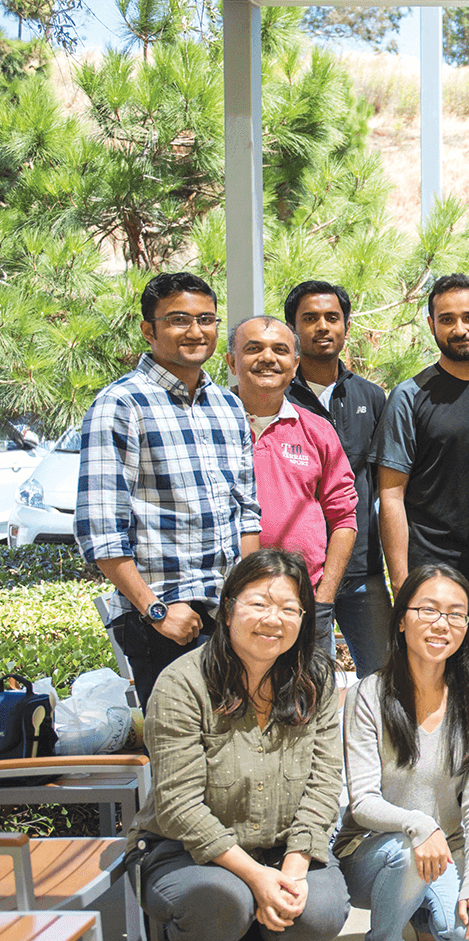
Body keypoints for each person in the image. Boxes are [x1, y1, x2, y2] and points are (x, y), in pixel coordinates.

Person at [130, 549, 348, 941]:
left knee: (322, 910)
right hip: (185, 853)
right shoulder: (182, 683)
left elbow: (325, 783)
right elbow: (178, 805)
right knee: (222, 900)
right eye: (259, 604)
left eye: (290, 609)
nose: (274, 620)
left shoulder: (315, 681)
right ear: (227, 610)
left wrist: (289, 873)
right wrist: (256, 879)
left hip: (278, 847)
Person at [76, 271, 260, 707]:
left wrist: (246, 597)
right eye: (179, 319)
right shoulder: (120, 405)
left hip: (227, 616)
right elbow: (100, 530)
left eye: (207, 319)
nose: (196, 331)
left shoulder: (228, 405)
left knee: (231, 753)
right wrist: (156, 610)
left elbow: (246, 511)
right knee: (179, 763)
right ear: (148, 329)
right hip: (163, 622)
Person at [336, 564, 469, 941]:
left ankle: (427, 919)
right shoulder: (369, 694)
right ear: (402, 619)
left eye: (455, 613)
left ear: (468, 626)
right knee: (409, 851)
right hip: (377, 853)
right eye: (428, 609)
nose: (441, 623)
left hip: (448, 854)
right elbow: (363, 799)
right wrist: (417, 824)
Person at [378, 273, 469, 663]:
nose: (459, 329)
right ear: (431, 325)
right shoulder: (409, 397)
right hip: (431, 565)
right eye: (447, 320)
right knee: (433, 676)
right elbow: (390, 495)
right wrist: (402, 581)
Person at [227, 315, 358, 654]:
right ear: (231, 361)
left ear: (295, 362)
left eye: (280, 350)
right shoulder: (211, 427)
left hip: (302, 606)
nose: (268, 358)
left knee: (308, 703)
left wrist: (324, 600)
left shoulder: (317, 430)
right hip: (225, 606)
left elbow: (344, 519)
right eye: (253, 348)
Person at [285, 279, 394, 677]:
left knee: (385, 679)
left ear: (346, 328)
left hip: (363, 570)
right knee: (305, 680)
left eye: (332, 318)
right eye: (309, 319)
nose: (322, 327)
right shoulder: (279, 399)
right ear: (294, 330)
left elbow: (386, 488)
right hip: (298, 575)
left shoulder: (371, 397)